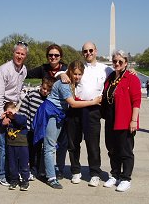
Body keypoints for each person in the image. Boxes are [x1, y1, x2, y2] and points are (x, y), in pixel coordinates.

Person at [32, 60, 102, 189]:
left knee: (52, 145)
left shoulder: (69, 81)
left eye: (80, 74)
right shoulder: (65, 84)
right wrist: (93, 102)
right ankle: (51, 177)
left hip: (57, 113)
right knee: (50, 146)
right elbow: (73, 103)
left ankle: (44, 171)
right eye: (75, 74)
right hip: (52, 113)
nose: (77, 77)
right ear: (69, 71)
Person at [57, 41, 113, 187]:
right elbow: (61, 70)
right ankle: (76, 171)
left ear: (96, 51)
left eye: (90, 50)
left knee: (92, 143)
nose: (88, 53)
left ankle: (94, 173)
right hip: (75, 108)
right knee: (73, 142)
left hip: (93, 110)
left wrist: (130, 71)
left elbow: (119, 74)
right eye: (85, 51)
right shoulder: (80, 67)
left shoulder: (106, 69)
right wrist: (62, 74)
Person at [102, 50, 141, 192]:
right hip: (110, 118)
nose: (117, 64)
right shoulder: (111, 77)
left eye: (120, 61)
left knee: (125, 150)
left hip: (125, 119)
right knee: (112, 149)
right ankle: (115, 174)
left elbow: (136, 101)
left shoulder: (132, 77)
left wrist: (133, 121)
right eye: (115, 61)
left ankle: (126, 178)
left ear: (126, 63)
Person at [0, 41, 28, 186]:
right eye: (17, 53)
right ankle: (0, 175)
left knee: (12, 141)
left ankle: (11, 171)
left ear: (25, 56)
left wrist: (15, 110)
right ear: (13, 53)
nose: (19, 56)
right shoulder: (3, 70)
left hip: (12, 108)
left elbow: (18, 91)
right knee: (3, 142)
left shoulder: (23, 70)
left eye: (22, 54)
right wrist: (2, 116)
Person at [27, 44, 68, 179]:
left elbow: (81, 75)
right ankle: (40, 169)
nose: (53, 57)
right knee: (41, 140)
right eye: (50, 55)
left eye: (56, 55)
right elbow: (26, 73)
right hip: (46, 109)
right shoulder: (44, 68)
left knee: (62, 142)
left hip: (61, 110)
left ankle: (60, 169)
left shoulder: (66, 69)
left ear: (60, 57)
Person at [19, 76, 56, 178]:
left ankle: (40, 170)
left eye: (48, 90)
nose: (45, 91)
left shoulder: (51, 99)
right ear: (41, 85)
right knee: (30, 149)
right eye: (43, 88)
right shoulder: (32, 95)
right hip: (30, 128)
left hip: (43, 130)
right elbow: (23, 110)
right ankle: (30, 169)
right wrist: (22, 125)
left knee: (41, 151)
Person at [2, 102, 30, 191]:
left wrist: (14, 115)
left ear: (16, 110)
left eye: (11, 112)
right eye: (8, 113)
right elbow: (1, 128)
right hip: (11, 145)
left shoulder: (21, 117)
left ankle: (25, 180)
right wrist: (2, 120)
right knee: (12, 164)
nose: (10, 114)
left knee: (24, 164)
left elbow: (22, 122)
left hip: (22, 145)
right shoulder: (7, 120)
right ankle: (14, 180)